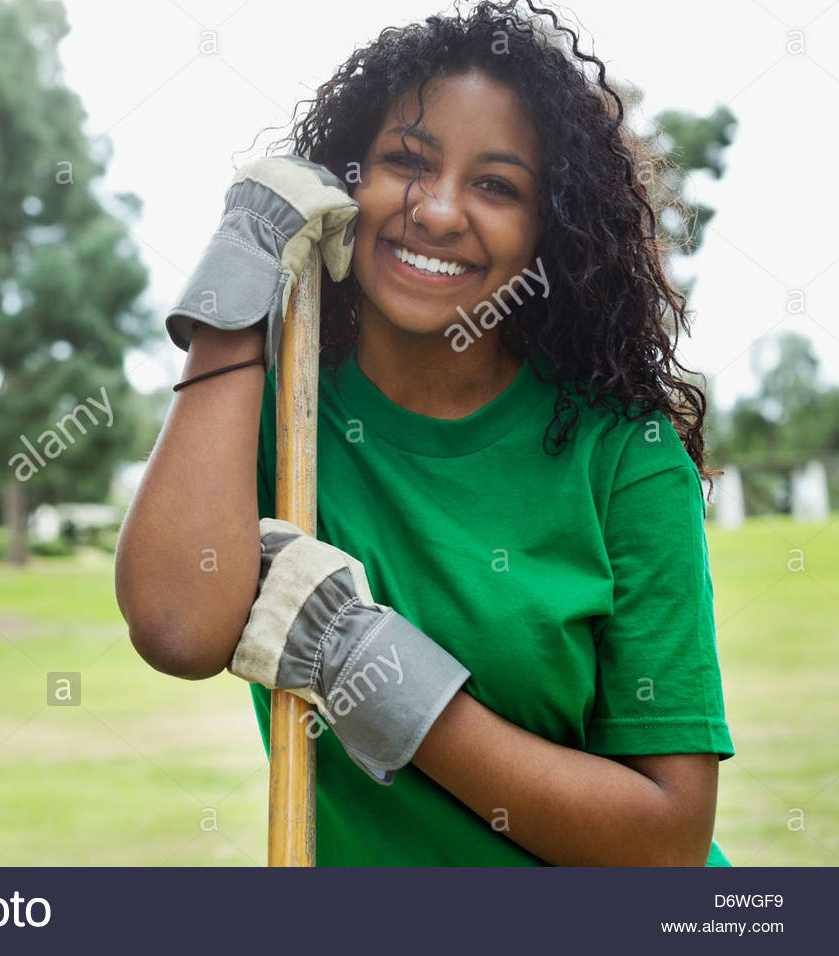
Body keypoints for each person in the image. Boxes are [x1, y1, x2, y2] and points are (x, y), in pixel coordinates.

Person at [114, 0, 734, 866]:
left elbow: (667, 844)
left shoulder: (625, 455)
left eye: (496, 185)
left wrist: (367, 668)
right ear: (347, 181)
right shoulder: (282, 424)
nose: (438, 212)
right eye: (408, 161)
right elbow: (177, 629)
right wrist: (243, 269)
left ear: (548, 232)